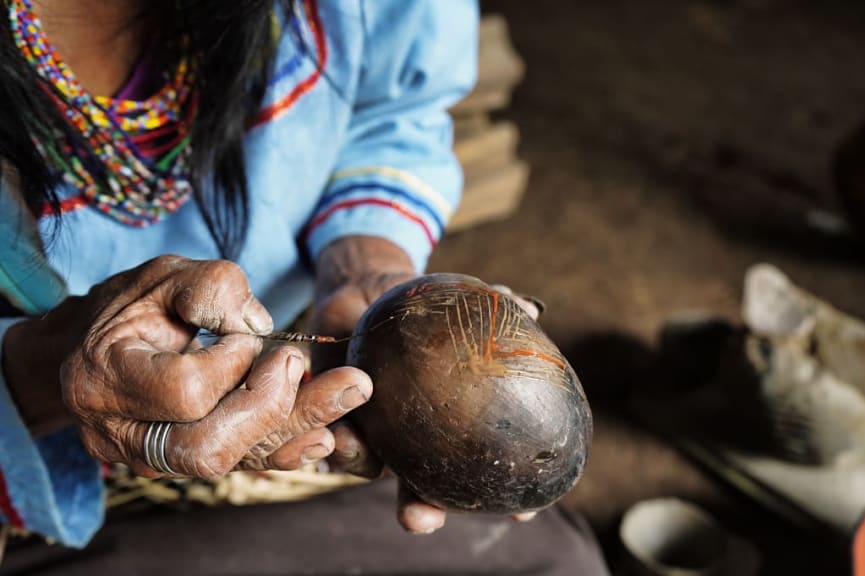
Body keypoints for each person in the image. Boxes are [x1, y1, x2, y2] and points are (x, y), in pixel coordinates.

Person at [0, 0, 610, 573]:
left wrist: (364, 265)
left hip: (275, 423)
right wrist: (48, 365)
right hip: (24, 475)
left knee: (553, 559)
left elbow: (391, 113)